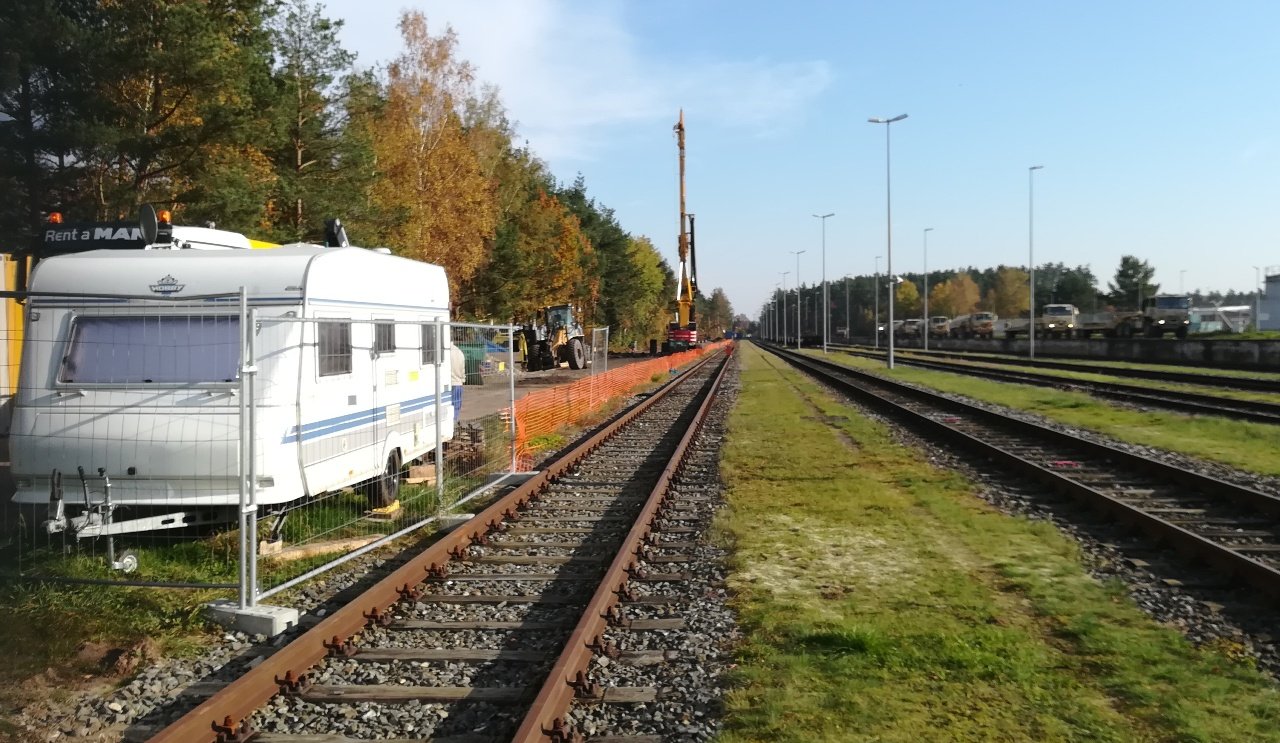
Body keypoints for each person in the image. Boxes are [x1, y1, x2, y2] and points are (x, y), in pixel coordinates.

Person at [450, 341, 466, 420]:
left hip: (447, 382)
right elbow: (462, 370)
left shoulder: (443, 351)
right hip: (457, 382)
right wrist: (462, 380)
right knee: (456, 405)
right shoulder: (459, 352)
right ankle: (454, 422)